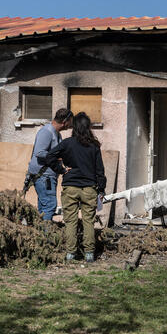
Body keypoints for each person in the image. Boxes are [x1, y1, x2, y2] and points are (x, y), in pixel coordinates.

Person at [58, 111, 106, 262]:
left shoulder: (67, 143)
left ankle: (70, 254)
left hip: (70, 187)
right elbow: (100, 170)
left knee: (70, 221)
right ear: (88, 127)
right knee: (88, 221)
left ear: (74, 127)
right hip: (89, 188)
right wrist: (102, 189)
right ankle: (89, 254)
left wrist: (61, 169)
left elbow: (49, 156)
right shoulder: (94, 146)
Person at [28, 107, 72, 226]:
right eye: (70, 122)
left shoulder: (57, 134)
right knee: (50, 205)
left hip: (48, 176)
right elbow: (39, 153)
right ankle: (46, 236)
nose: (71, 125)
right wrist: (58, 158)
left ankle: (39, 234)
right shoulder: (47, 132)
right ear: (65, 121)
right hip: (44, 176)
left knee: (43, 207)